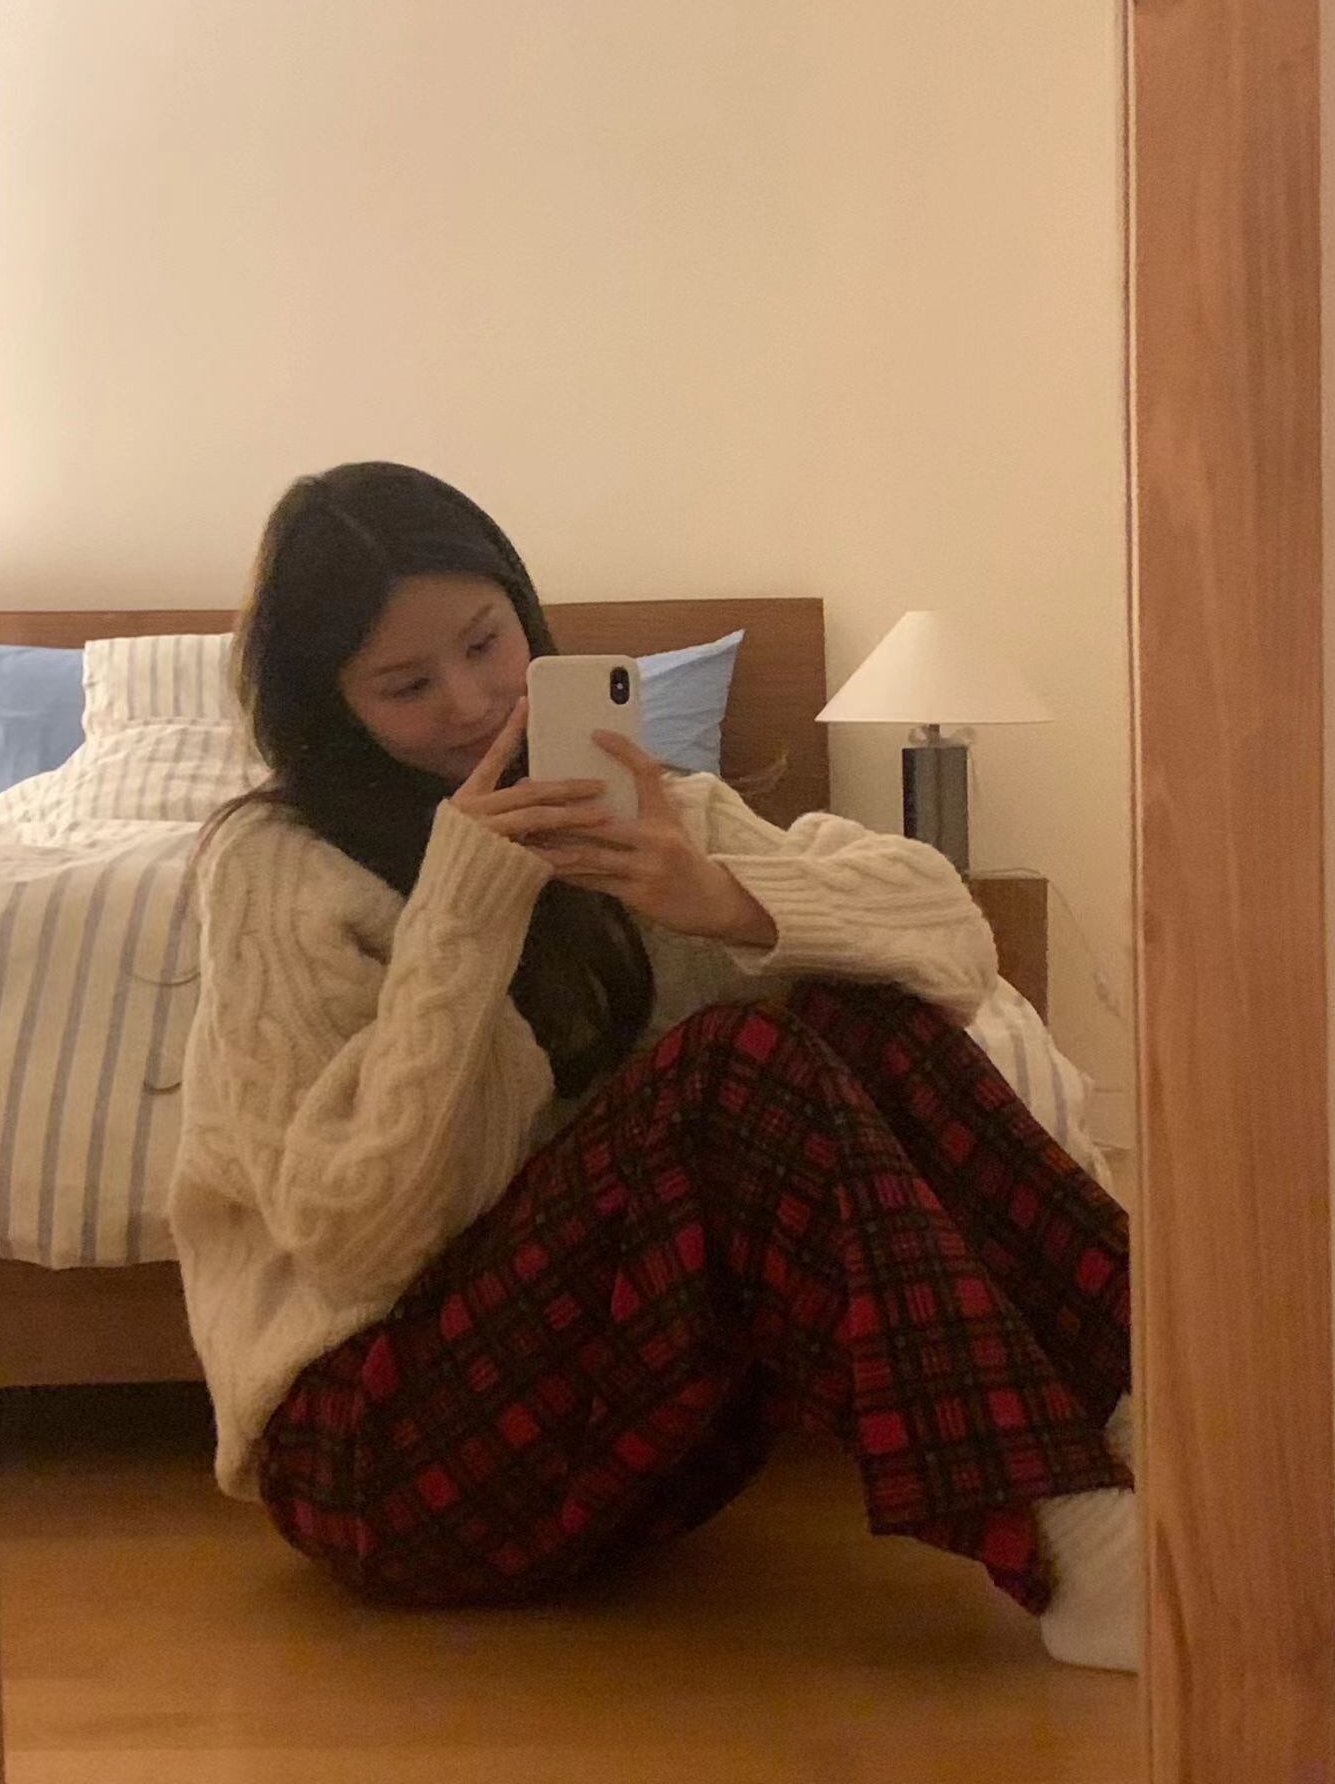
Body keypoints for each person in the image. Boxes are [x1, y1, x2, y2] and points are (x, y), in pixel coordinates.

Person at [167, 460, 1136, 1671]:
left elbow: (954, 948)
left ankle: (1157, 1418)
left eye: (486, 643)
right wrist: (463, 915)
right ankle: (1076, 1544)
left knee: (855, 1013)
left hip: (614, 1426)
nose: (470, 703)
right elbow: (356, 1240)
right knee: (733, 1071)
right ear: (336, 707)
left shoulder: (641, 805)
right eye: (407, 686)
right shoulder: (278, 868)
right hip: (386, 1457)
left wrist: (726, 899)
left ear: (525, 612)